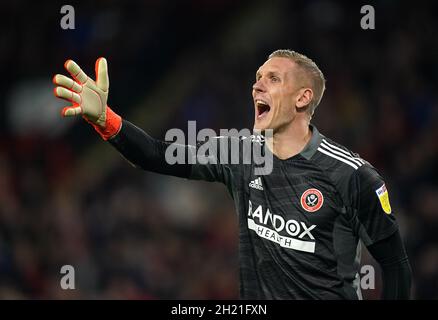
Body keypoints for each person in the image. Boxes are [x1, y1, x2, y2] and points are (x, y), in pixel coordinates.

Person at [52, 49, 412, 299]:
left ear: (303, 99)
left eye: (273, 78)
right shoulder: (239, 152)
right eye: (257, 78)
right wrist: (105, 120)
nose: (257, 85)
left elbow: (395, 263)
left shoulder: (352, 175)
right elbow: (157, 155)